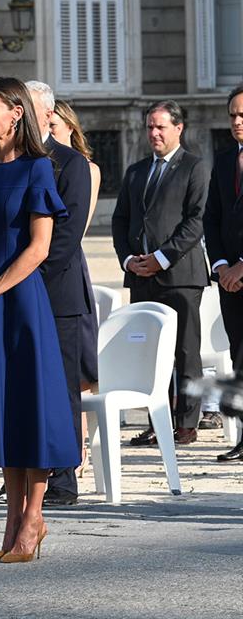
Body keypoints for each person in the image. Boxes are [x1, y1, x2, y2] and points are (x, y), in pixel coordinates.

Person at [0, 76, 79, 563]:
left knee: (30, 406)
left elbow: (40, 248)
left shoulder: (38, 169)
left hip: (21, 303)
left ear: (15, 113)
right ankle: (10, 522)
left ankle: (33, 521)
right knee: (2, 409)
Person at [113, 100, 210, 447]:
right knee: (151, 354)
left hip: (181, 276)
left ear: (178, 129)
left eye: (161, 127)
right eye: (150, 127)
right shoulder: (136, 171)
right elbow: (120, 219)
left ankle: (185, 423)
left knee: (184, 352)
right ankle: (158, 421)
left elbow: (196, 221)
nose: (153, 133)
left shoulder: (195, 168)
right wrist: (129, 260)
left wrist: (161, 258)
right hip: (141, 275)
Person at [21, 80, 98, 508]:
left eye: (28, 107)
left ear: (48, 113)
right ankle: (26, 474)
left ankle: (64, 478)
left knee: (62, 389)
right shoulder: (15, 160)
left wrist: (22, 279)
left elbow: (64, 239)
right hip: (21, 293)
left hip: (57, 295)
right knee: (27, 388)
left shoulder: (71, 164)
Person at [207, 85, 243, 462]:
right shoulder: (222, 160)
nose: (236, 121)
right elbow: (212, 218)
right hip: (230, 281)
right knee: (238, 357)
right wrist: (220, 266)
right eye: (232, 114)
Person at [49, 100, 101, 232]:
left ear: (70, 128)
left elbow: (79, 227)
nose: (47, 131)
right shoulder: (40, 164)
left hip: (65, 247)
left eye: (52, 125)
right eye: (44, 126)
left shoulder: (90, 169)